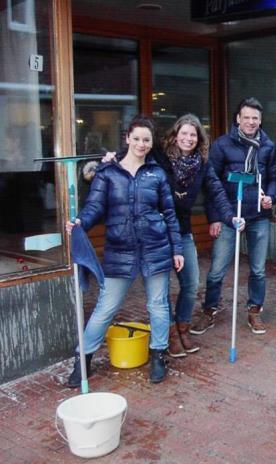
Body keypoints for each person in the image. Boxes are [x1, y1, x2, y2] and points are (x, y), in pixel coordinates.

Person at [100, 115, 240, 357]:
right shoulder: (158, 157)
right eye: (184, 133)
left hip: (182, 232)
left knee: (191, 283)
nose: (188, 138)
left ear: (199, 139)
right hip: (155, 234)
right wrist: (111, 159)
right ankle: (170, 335)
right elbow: (134, 153)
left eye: (193, 135)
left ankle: (182, 326)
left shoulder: (202, 165)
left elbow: (216, 191)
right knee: (160, 291)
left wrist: (231, 218)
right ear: (176, 135)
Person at [66, 115, 184, 386]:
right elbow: (95, 207)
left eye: (146, 139)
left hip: (156, 248)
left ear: (151, 143)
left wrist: (176, 248)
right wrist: (80, 222)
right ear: (127, 139)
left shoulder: (157, 174)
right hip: (120, 251)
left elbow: (169, 213)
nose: (141, 144)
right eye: (137, 138)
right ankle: (82, 359)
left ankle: (158, 354)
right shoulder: (108, 173)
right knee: (106, 307)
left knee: (158, 305)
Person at [194, 97, 276, 335]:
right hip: (229, 216)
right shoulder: (221, 145)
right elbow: (212, 184)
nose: (251, 122)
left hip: (258, 216)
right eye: (247, 117)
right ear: (238, 119)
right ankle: (209, 309)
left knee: (258, 269)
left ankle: (254, 310)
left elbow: (273, 178)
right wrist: (215, 218)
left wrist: (270, 197)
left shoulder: (268, 147)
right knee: (218, 268)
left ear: (260, 120)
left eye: (255, 118)